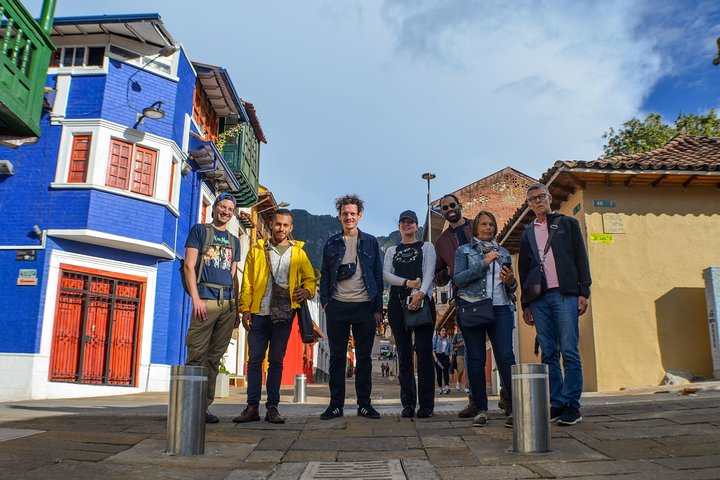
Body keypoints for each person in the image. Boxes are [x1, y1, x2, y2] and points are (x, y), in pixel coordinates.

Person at [233, 209, 316, 424]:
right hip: (259, 313)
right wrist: (245, 309)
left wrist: (307, 291)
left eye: (285, 225)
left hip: (285, 314)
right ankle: (252, 407)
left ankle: (272, 407)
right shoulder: (257, 250)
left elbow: (310, 279)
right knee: (254, 361)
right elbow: (248, 283)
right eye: (278, 224)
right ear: (271, 224)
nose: (281, 228)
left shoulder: (299, 253)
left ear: (291, 228)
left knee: (276, 361)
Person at [519, 183, 591, 426]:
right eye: (533, 199)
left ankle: (573, 405)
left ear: (549, 198)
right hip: (538, 299)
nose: (538, 202)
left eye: (541, 197)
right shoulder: (527, 232)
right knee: (549, 352)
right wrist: (525, 303)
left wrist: (584, 291)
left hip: (565, 294)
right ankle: (557, 402)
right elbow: (524, 270)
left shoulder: (567, 224)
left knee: (569, 349)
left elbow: (581, 257)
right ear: (529, 205)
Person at [319, 194, 384, 420]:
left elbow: (377, 275)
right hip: (337, 306)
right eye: (345, 214)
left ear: (360, 216)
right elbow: (325, 273)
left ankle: (364, 405)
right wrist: (326, 303)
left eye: (353, 213)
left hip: (364, 306)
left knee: (364, 358)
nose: (349, 217)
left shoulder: (371, 242)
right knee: (337, 357)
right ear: (340, 216)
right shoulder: (332, 242)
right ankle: (335, 405)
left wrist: (378, 309)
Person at [454, 210, 517, 428]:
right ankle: (481, 409)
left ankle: (515, 408)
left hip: (501, 309)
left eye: (491, 224)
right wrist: (484, 263)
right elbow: (459, 279)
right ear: (475, 228)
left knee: (506, 358)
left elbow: (513, 287)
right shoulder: (464, 251)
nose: (488, 228)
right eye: (483, 224)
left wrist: (511, 281)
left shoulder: (504, 252)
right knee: (476, 359)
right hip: (474, 307)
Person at [183, 192, 241, 424]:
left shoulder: (234, 241)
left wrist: (236, 307)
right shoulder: (200, 231)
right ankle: (187, 406)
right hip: (205, 299)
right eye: (223, 206)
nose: (226, 211)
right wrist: (196, 299)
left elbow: (233, 275)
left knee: (214, 358)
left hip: (227, 304)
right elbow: (189, 266)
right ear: (215, 207)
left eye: (230, 209)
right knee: (196, 354)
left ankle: (203, 407)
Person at [383, 210, 437, 419]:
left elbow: (430, 272)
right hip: (398, 304)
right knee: (404, 355)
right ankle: (407, 403)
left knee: (423, 353)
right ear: (399, 226)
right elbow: (386, 274)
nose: (407, 225)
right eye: (403, 222)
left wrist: (421, 293)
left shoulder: (426, 247)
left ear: (416, 226)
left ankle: (426, 405)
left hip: (422, 302)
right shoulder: (392, 251)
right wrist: (406, 283)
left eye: (410, 222)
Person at [433, 193, 477, 417]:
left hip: (490, 295)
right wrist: (447, 273)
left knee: (502, 350)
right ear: (441, 212)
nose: (449, 209)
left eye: (452, 205)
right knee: (471, 352)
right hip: (463, 298)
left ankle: (508, 398)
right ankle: (476, 402)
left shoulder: (476, 225)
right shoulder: (441, 242)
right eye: (444, 208)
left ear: (460, 205)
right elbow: (438, 277)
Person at [432, 327, 453, 395]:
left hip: (445, 357)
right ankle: (440, 388)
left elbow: (450, 349)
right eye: (443, 331)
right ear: (439, 332)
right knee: (439, 373)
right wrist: (435, 357)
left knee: (446, 372)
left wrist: (450, 357)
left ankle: (447, 387)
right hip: (438, 356)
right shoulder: (436, 338)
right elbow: (433, 349)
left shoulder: (448, 339)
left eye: (445, 331)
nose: (444, 332)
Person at [451, 327, 468, 392]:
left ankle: (467, 387)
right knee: (460, 370)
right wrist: (460, 344)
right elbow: (453, 346)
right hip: (459, 354)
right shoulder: (457, 335)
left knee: (467, 371)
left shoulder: (467, 333)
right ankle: (458, 381)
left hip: (467, 354)